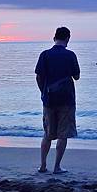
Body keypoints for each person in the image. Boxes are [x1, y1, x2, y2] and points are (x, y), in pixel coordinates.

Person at [35, 27, 80, 174]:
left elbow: (39, 77)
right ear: (67, 38)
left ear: (54, 38)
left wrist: (43, 92)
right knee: (63, 134)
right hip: (67, 100)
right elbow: (77, 76)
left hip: (49, 99)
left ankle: (43, 166)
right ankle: (57, 167)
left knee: (47, 134)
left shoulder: (45, 55)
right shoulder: (70, 55)